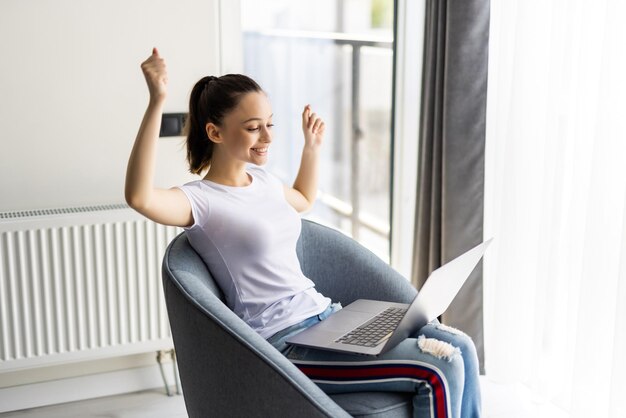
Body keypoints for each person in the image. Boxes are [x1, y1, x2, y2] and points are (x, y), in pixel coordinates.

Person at [125, 48, 482, 418]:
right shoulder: (200, 201)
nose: (267, 135)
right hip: (286, 343)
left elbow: (302, 198)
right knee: (440, 368)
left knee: (459, 345)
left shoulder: (261, 180)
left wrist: (311, 148)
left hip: (328, 319)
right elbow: (139, 197)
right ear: (214, 131)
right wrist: (157, 102)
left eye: (270, 123)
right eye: (252, 127)